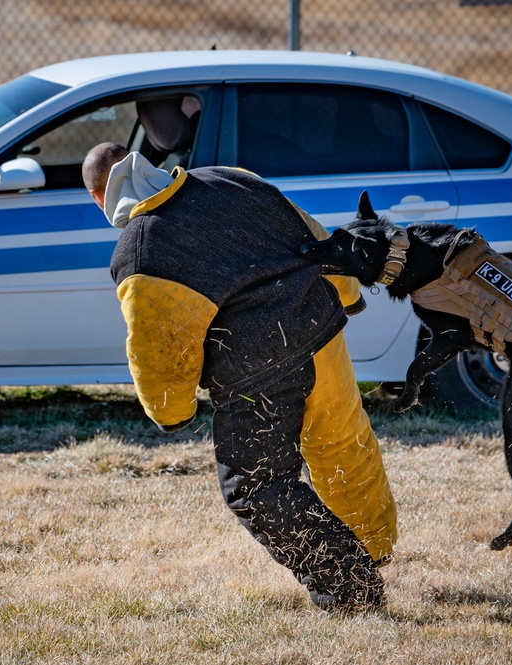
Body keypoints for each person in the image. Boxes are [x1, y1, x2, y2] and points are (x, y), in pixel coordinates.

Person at [82, 142, 398, 612]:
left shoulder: (143, 252)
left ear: (97, 197)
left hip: (257, 373)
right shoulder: (231, 177)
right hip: (320, 330)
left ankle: (353, 588)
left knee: (256, 488)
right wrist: (347, 292)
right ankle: (373, 548)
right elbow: (312, 235)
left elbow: (162, 348)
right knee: (342, 447)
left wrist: (172, 411)